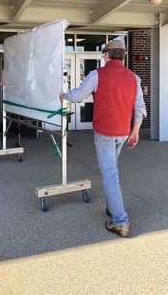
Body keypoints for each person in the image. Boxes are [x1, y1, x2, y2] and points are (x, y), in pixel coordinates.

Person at [60, 40, 146, 237]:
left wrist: (63, 95)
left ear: (107, 54)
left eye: (103, 53)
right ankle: (112, 207)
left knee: (110, 174)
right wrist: (135, 131)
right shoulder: (134, 78)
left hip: (105, 132)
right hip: (123, 132)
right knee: (112, 169)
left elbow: (78, 94)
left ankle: (120, 221)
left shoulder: (97, 74)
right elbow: (140, 108)